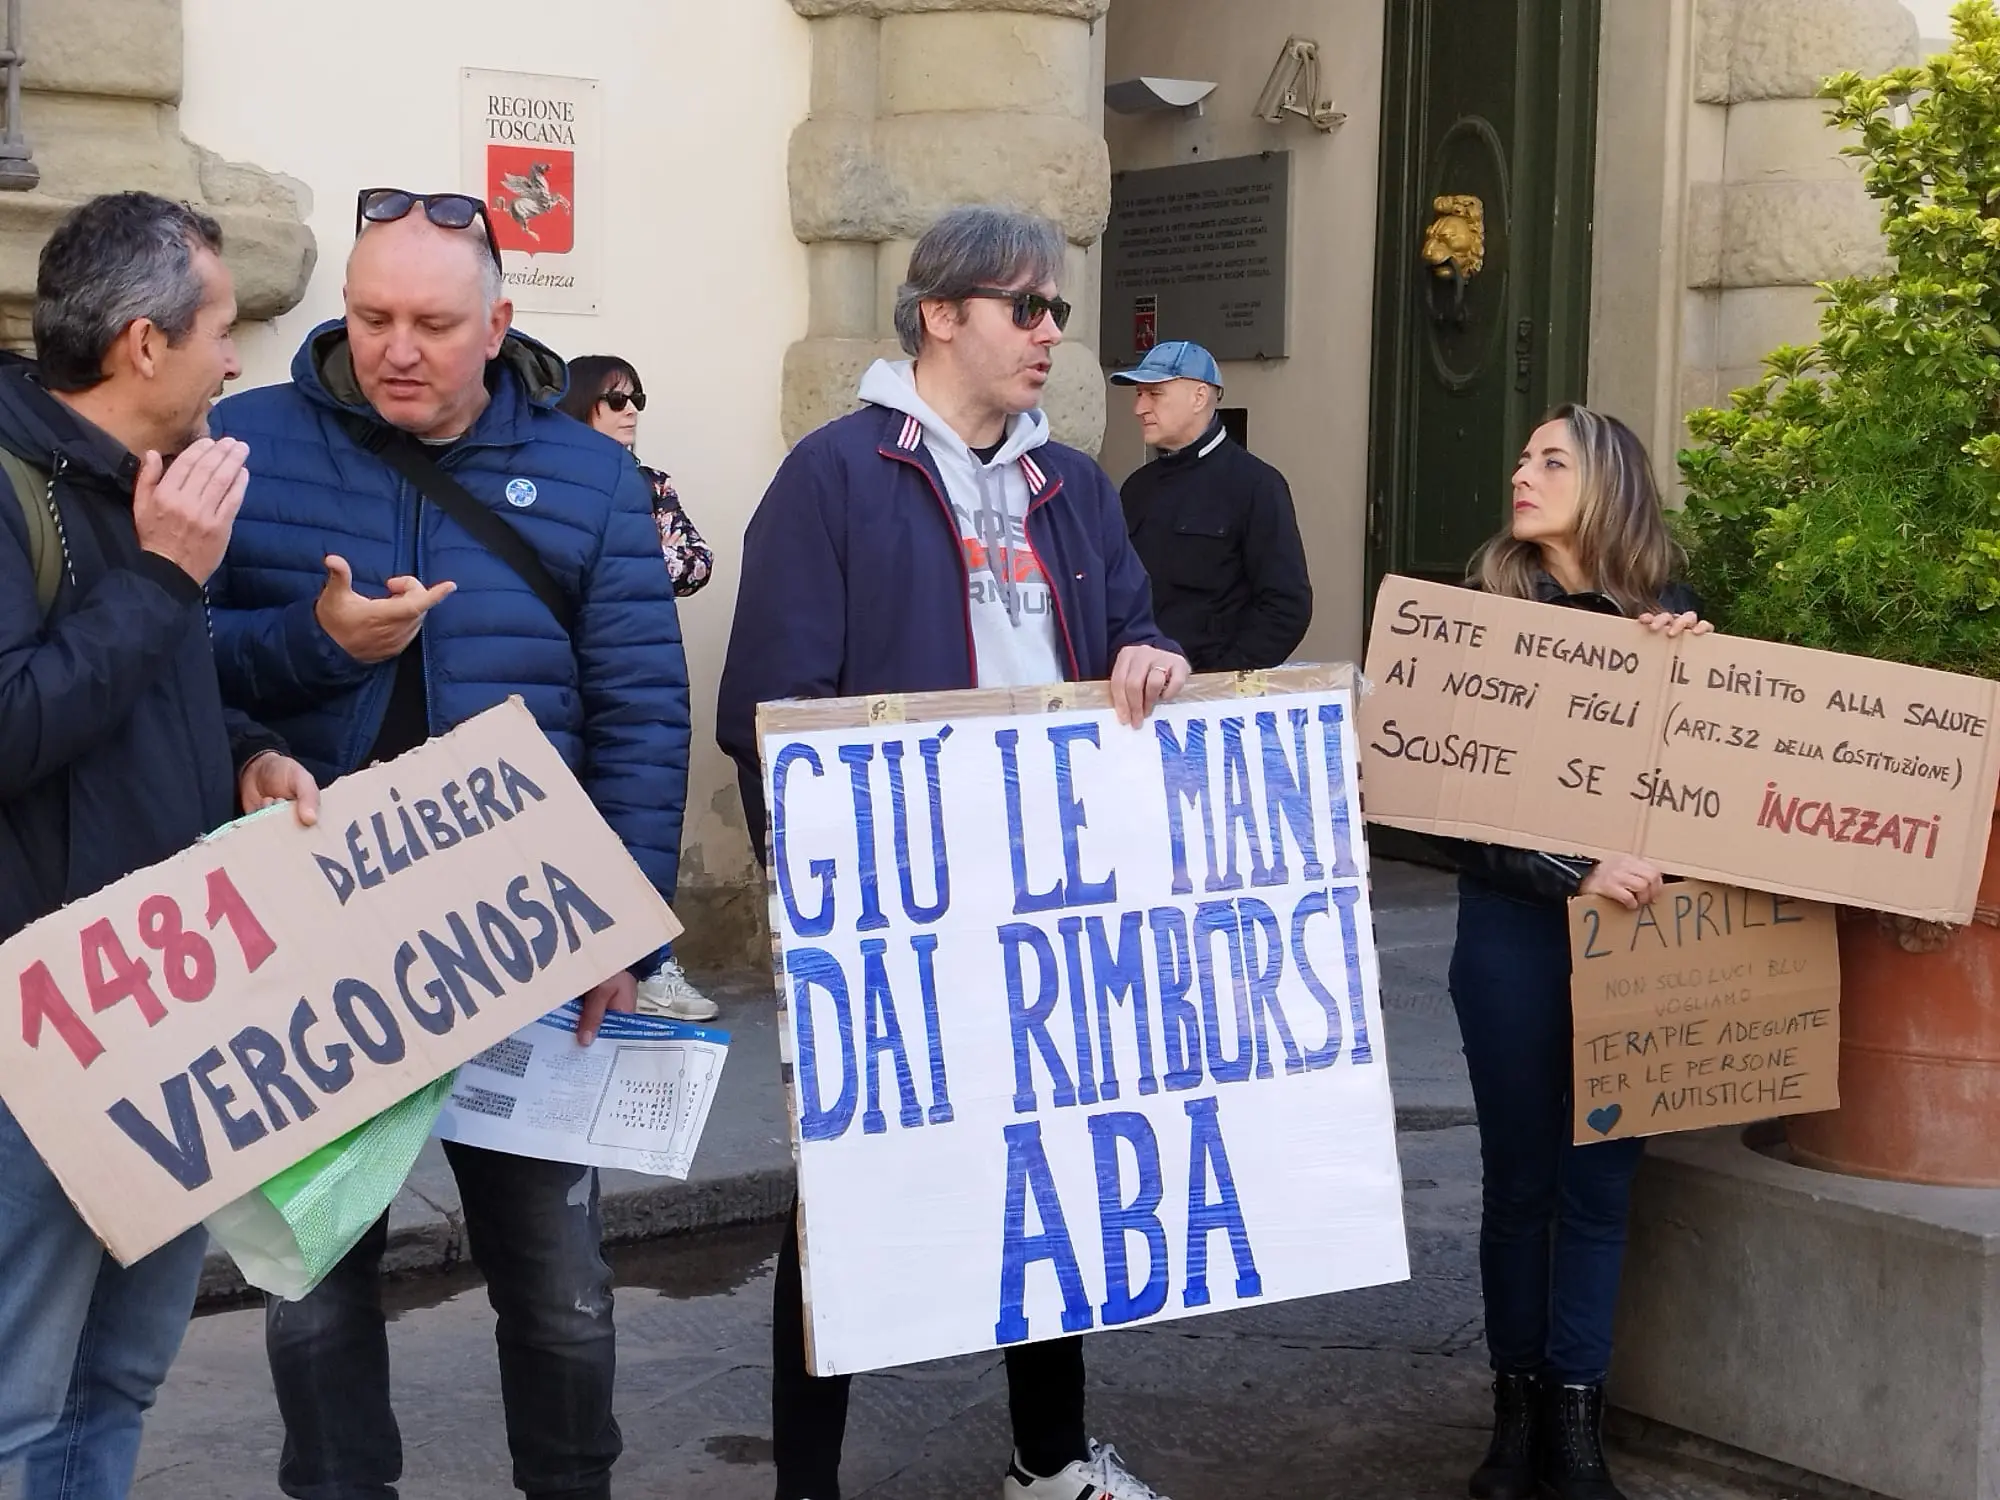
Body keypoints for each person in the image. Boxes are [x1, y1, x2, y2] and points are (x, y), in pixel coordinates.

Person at [205, 188, 691, 1500]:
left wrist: (632, 918)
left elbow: (643, 704)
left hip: (527, 940)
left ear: (500, 326)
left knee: (561, 1295)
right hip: (313, 939)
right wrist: (277, 701)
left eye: (432, 321)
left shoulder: (591, 475)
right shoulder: (243, 444)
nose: (396, 347)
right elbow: (171, 665)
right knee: (313, 1295)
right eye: (370, 317)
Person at [719, 205, 1188, 1500]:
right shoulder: (834, 476)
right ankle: (805, 1483)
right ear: (940, 313)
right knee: (853, 1202)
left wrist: (1153, 662)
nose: (1050, 334)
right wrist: (829, 902)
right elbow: (766, 705)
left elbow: (1133, 642)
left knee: (1055, 1176)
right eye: (1024, 308)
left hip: (1057, 901)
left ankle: (1050, 1462)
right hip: (898, 913)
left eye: (1056, 312)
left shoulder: (1076, 488)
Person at [0, 191, 319, 1500]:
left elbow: (143, 693)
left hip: (175, 1013)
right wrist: (163, 579)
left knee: (121, 1380)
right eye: (221, 328)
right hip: (40, 1042)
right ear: (145, 345)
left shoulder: (153, 493)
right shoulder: (24, 490)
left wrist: (243, 751)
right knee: (17, 1407)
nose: (235, 358)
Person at [1438, 404, 1707, 1500]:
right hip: (1508, 935)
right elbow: (1439, 801)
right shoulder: (1479, 617)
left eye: (1548, 459)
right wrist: (1570, 870)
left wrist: (1688, 677)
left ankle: (1575, 1420)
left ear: (1606, 483)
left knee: (1599, 1184)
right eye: (1519, 454)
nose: (1519, 471)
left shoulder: (1675, 625)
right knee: (1519, 1184)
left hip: (1632, 949)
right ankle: (1512, 1418)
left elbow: (1712, 798)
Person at [556, 353, 716, 1021]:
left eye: (636, 399)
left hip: (635, 659)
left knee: (637, 805)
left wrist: (623, 551)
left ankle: (650, 962)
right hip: (561, 667)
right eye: (613, 399)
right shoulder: (551, 480)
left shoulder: (649, 484)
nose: (630, 412)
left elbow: (694, 565)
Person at [1111, 339, 1311, 671]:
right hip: (1137, 689)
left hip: (1209, 699)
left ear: (1199, 397)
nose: (1139, 408)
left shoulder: (1256, 486)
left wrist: (1218, 682)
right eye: (1138, 394)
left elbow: (1287, 607)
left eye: (1154, 394)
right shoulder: (1137, 488)